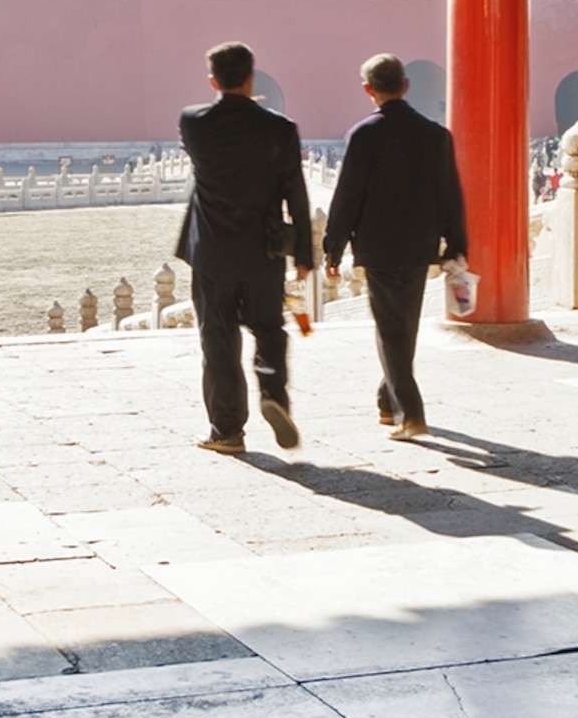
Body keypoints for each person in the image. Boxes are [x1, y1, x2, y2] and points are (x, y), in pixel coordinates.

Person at [172, 41, 312, 455]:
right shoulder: (280, 128)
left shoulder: (193, 122)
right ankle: (273, 394)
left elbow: (218, 124)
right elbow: (297, 194)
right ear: (252, 77)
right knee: (268, 329)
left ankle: (227, 429)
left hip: (212, 251)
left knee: (218, 337)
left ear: (213, 80)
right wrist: (304, 254)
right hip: (262, 251)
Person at [321, 53, 469, 443]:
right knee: (405, 325)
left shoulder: (363, 135)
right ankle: (388, 400)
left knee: (391, 330)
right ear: (405, 85)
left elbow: (348, 196)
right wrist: (456, 243)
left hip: (379, 245)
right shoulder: (437, 135)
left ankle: (411, 413)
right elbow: (451, 194)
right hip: (420, 245)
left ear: (368, 90)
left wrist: (333, 248)